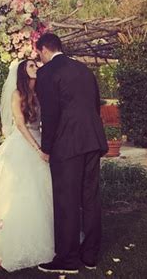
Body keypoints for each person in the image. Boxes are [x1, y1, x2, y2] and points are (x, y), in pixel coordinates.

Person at [35, 33, 108, 274]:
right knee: (90, 198)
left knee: (66, 201)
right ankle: (90, 256)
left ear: (44, 49)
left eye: (39, 54)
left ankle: (67, 259)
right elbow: (95, 105)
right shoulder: (84, 70)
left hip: (67, 143)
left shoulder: (47, 72)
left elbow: (50, 114)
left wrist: (46, 147)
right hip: (92, 139)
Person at [0, 60, 55, 272]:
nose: (36, 68)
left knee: (42, 192)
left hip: (40, 140)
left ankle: (45, 236)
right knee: (20, 191)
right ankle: (11, 240)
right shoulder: (17, 94)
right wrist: (37, 149)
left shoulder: (41, 92)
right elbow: (21, 125)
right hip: (23, 143)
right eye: (32, 66)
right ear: (23, 72)